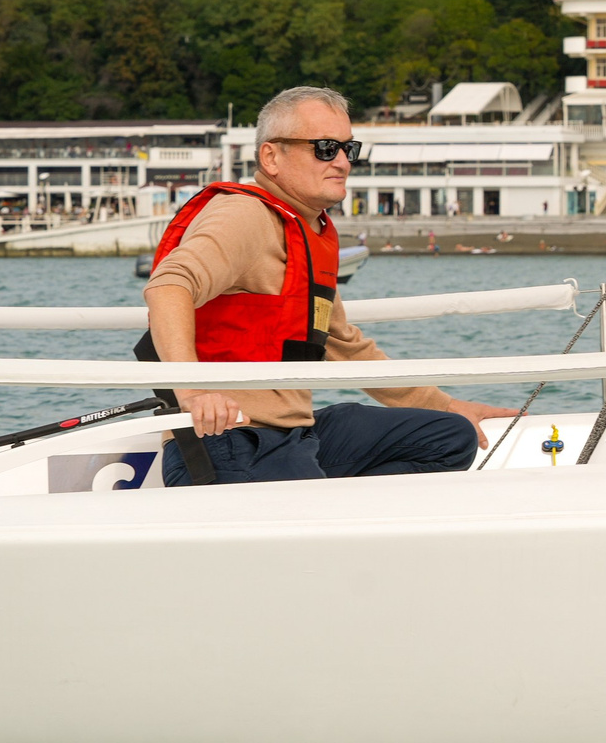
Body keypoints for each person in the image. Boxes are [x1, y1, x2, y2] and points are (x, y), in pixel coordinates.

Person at [143, 85, 520, 484]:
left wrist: (446, 404)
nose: (341, 161)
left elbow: (345, 346)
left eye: (348, 149)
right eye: (324, 148)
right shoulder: (244, 214)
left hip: (293, 434)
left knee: (448, 437)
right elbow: (168, 286)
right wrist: (194, 393)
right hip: (230, 438)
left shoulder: (307, 233)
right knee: (312, 495)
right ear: (271, 156)